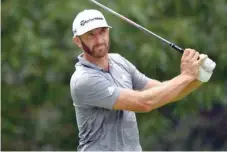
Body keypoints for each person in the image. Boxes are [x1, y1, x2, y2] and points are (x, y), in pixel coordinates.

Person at [70, 9, 209, 151]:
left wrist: (199, 76)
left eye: (102, 32)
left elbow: (163, 91)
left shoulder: (118, 61)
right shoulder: (83, 80)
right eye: (90, 35)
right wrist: (185, 76)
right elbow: (144, 102)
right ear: (78, 41)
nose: (99, 40)